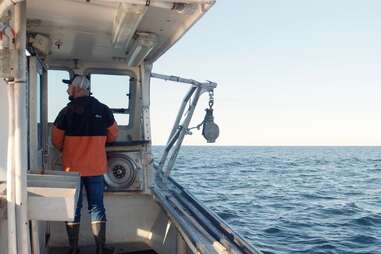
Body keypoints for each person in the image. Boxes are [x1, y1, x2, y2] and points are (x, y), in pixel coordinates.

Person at [52, 74, 118, 254]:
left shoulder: (66, 112)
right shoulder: (103, 110)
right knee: (97, 206)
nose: (67, 89)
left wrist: (69, 149)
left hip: (71, 169)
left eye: (69, 86)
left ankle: (73, 250)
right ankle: (100, 248)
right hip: (95, 168)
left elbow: (56, 140)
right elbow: (113, 135)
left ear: (77, 88)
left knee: (73, 207)